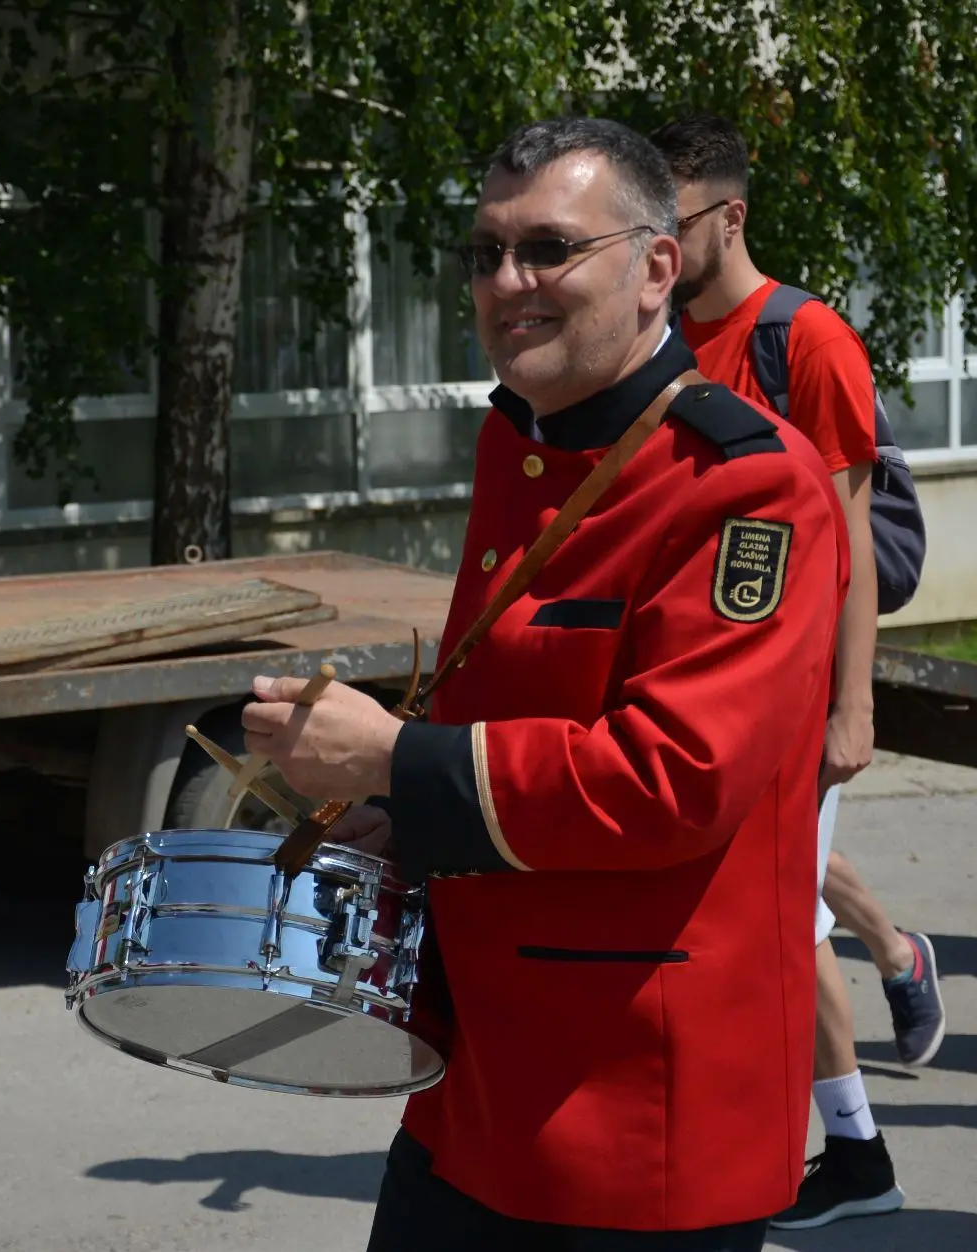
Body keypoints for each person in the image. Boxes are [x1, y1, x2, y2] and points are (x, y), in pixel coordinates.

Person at [242, 116, 846, 1251]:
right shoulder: (523, 443)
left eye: (549, 249)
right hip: (474, 1084)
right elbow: (518, 709)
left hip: (637, 1109)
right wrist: (402, 815)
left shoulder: (746, 485)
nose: (507, 281)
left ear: (656, 267)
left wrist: (398, 758)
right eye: (486, 252)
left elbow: (676, 779)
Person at [650, 111, 937, 1229]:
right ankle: (848, 1127)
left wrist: (852, 706)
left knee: (786, 920)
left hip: (799, 687)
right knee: (773, 911)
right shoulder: (660, 338)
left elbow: (851, 539)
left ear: (730, 217)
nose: (657, 248)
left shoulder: (807, 341)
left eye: (674, 223)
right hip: (709, 680)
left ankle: (853, 1155)